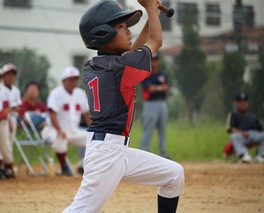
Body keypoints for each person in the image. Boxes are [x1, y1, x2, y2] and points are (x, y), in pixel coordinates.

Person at [63, 0, 184, 212]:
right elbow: (156, 40)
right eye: (122, 27)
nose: (129, 32)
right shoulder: (120, 67)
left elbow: (136, 50)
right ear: (103, 34)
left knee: (174, 174)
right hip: (106, 153)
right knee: (81, 210)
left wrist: (151, 12)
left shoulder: (96, 65)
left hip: (116, 149)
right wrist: (150, 10)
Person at [44, 66, 91, 176]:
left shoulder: (80, 93)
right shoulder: (56, 93)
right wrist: (59, 130)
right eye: (70, 79)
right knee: (59, 138)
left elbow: (87, 113)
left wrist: (93, 129)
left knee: (93, 139)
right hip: (53, 129)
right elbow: (52, 113)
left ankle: (83, 166)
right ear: (63, 81)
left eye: (75, 79)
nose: (73, 81)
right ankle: (64, 166)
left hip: (73, 130)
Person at [139, 54, 170, 158]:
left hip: (162, 103)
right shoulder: (146, 74)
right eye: (152, 60)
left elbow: (166, 88)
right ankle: (144, 151)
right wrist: (160, 88)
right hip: (151, 104)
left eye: (155, 60)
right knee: (148, 128)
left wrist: (157, 88)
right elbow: (150, 89)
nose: (154, 62)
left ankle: (164, 153)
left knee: (163, 129)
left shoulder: (162, 74)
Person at [226, 93, 264, 163]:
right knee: (234, 136)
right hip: (241, 135)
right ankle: (244, 155)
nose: (243, 104)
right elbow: (230, 129)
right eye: (241, 102)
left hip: (255, 134)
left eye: (245, 102)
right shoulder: (233, 115)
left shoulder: (253, 115)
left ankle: (261, 156)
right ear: (237, 103)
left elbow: (260, 129)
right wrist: (242, 133)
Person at [1, 63, 22, 149]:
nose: (11, 77)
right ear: (3, 76)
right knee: (3, 143)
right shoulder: (0, 89)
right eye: (8, 74)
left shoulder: (16, 90)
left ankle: (7, 162)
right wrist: (11, 109)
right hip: (3, 118)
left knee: (10, 143)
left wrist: (11, 108)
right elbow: (4, 108)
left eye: (13, 74)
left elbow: (19, 107)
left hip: (13, 117)